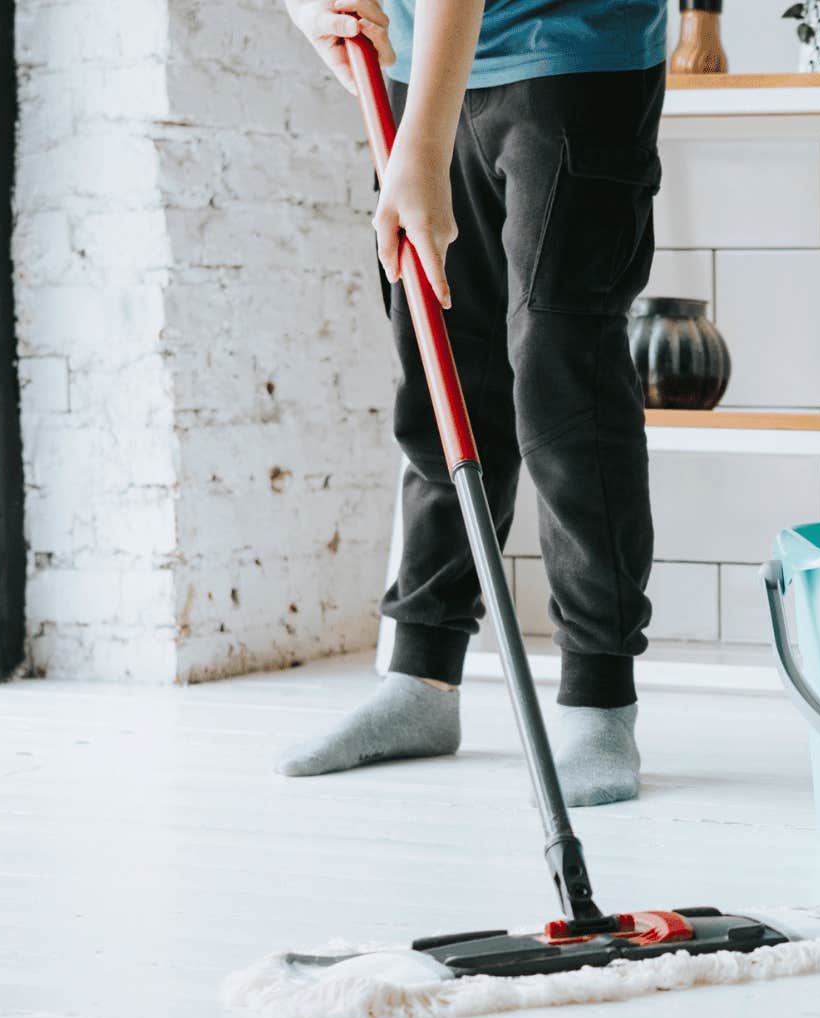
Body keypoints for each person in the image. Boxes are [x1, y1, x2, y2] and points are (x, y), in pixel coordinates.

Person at [275, 0, 665, 806]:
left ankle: (599, 699)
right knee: (440, 370)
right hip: (420, 77)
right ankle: (421, 678)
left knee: (563, 376)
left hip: (571, 55)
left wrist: (416, 149)